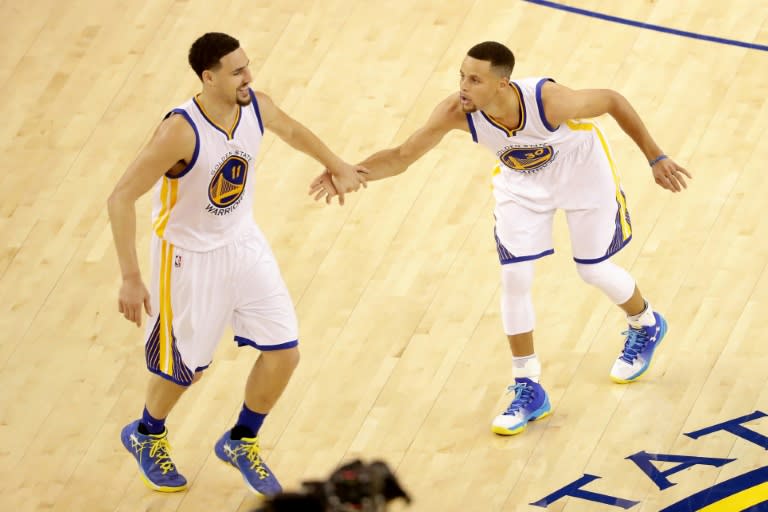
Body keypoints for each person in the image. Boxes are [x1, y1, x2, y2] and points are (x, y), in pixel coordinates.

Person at [310, 41, 691, 436]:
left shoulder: (548, 102)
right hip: (521, 187)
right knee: (514, 279)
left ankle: (645, 323)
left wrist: (655, 156)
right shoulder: (455, 112)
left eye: (474, 79)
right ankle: (529, 387)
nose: (463, 86)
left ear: (503, 84)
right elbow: (404, 155)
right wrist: (350, 171)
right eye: (461, 75)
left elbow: (612, 100)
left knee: (592, 269)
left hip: (582, 175)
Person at [107, 32, 366, 495]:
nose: (249, 76)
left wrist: (337, 163)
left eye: (248, 66)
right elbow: (120, 197)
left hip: (243, 242)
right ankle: (146, 434)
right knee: (187, 369)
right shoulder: (180, 131)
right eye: (237, 71)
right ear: (208, 78)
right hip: (186, 257)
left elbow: (293, 131)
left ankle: (240, 440)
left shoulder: (256, 105)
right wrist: (130, 277)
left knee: (285, 351)